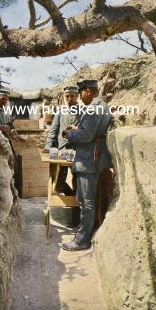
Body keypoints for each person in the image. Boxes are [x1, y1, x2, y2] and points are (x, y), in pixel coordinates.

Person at [62, 79, 112, 251]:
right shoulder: (101, 105)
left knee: (85, 201)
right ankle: (85, 233)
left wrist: (69, 134)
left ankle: (82, 240)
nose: (80, 97)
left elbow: (86, 136)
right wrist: (78, 129)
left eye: (81, 92)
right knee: (87, 200)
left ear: (88, 91)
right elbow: (92, 132)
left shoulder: (93, 108)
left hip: (89, 161)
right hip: (94, 158)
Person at [44, 85, 81, 195]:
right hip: (62, 150)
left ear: (77, 96)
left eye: (72, 96)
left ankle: (76, 205)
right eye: (67, 96)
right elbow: (53, 130)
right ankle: (70, 195)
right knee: (58, 182)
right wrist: (47, 147)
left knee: (77, 178)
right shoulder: (60, 112)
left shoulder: (83, 112)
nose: (69, 99)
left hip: (77, 150)